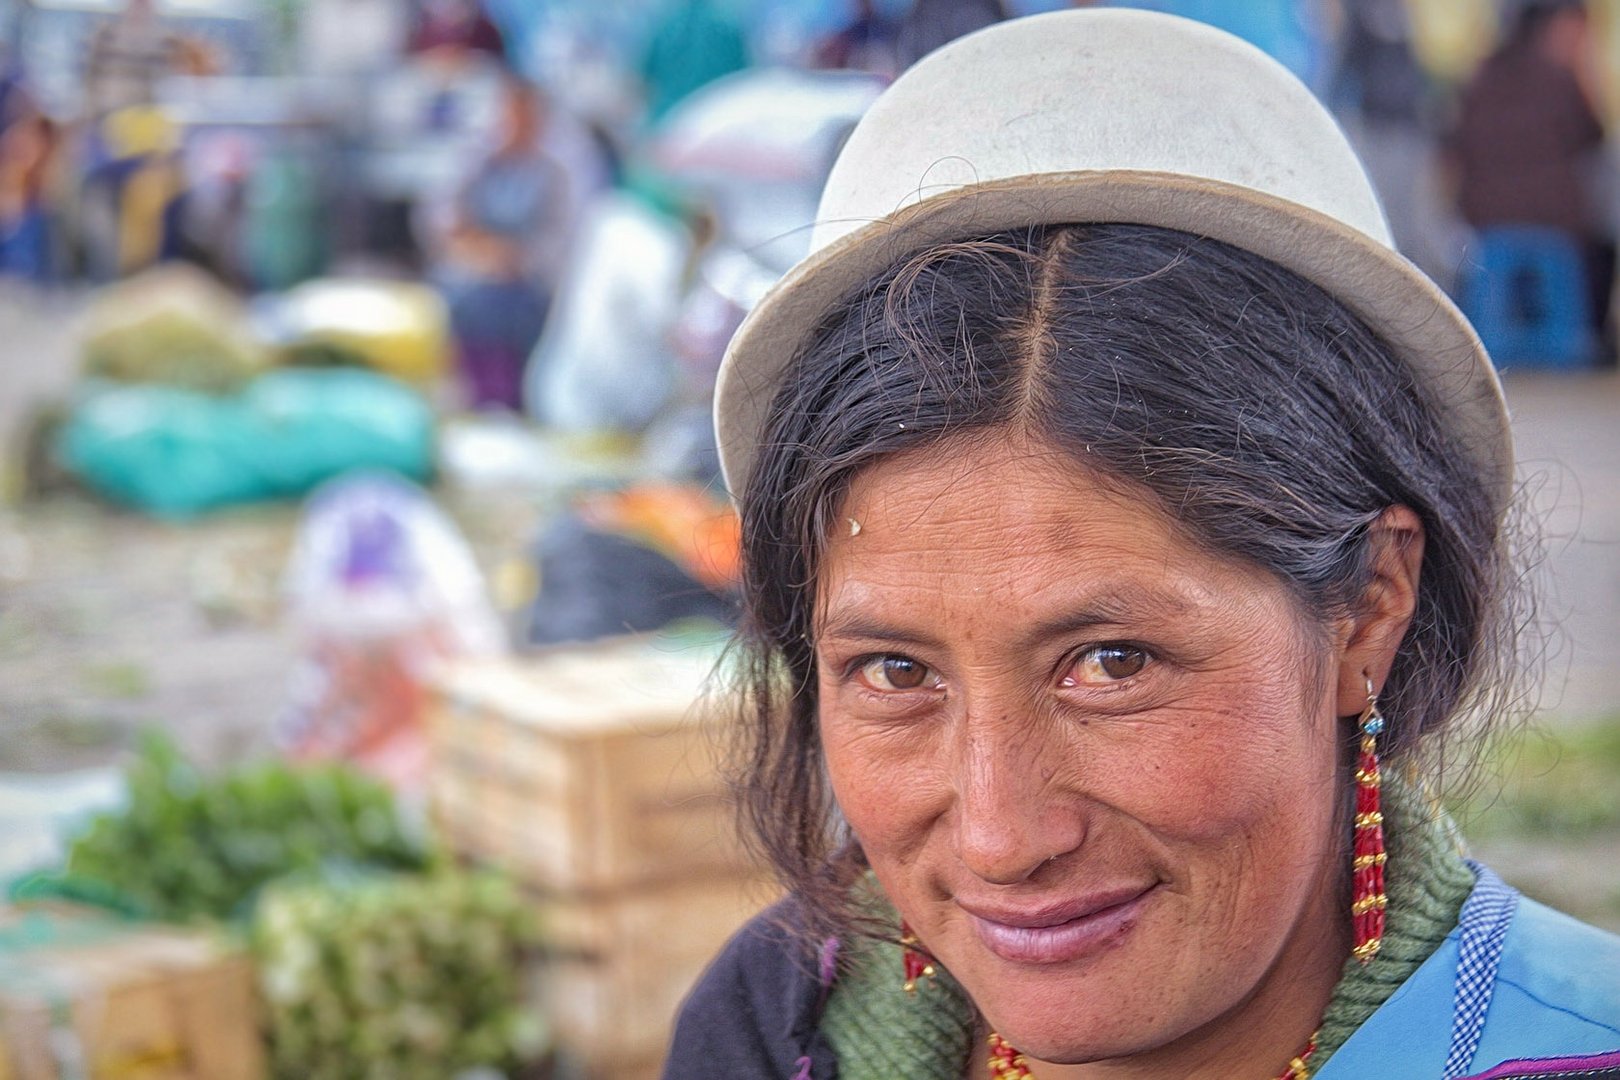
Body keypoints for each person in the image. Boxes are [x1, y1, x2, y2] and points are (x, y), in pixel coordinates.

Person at [665, 10, 1620, 1080]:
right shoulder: (778, 1023)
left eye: (1112, 662)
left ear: (1371, 607)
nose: (999, 836)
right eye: (895, 671)